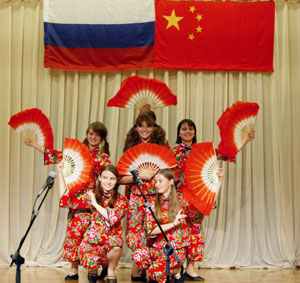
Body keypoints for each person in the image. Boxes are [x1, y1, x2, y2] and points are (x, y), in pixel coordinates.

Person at [25, 121, 111, 281]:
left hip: (93, 201)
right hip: (76, 199)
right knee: (73, 235)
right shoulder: (77, 152)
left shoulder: (103, 157)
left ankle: (103, 267)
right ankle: (74, 270)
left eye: (97, 135)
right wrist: (34, 144)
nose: (93, 137)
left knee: (94, 237)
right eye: (91, 133)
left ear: (102, 138)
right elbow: (53, 155)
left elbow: (110, 178)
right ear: (87, 134)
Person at [172, 119, 254, 281]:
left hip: (199, 197)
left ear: (195, 132)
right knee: (178, 233)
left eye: (190, 129)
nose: (187, 132)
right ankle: (176, 269)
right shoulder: (173, 152)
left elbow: (226, 153)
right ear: (179, 133)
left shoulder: (203, 150)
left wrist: (245, 140)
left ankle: (190, 269)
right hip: (179, 197)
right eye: (184, 129)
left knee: (195, 232)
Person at [120, 113, 170, 281]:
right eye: (141, 126)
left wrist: (154, 175)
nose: (144, 129)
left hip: (157, 195)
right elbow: (121, 177)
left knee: (153, 230)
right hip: (136, 195)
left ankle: (151, 268)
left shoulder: (163, 145)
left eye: (148, 126)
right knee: (135, 231)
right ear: (136, 128)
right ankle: (138, 267)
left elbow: (170, 171)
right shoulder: (131, 146)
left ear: (154, 128)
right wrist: (140, 176)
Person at [57, 164, 128, 283]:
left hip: (110, 243)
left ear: (117, 181)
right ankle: (93, 268)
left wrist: (94, 204)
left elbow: (112, 218)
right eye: (105, 178)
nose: (108, 182)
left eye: (112, 179)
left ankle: (110, 270)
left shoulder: (121, 200)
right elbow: (65, 199)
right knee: (91, 268)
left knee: (116, 244)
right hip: (92, 243)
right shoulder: (91, 195)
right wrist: (60, 173)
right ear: (99, 178)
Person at [132, 168, 192, 283]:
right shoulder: (152, 203)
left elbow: (204, 204)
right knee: (138, 256)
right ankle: (171, 271)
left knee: (155, 273)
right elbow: (151, 230)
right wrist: (173, 224)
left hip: (175, 250)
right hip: (157, 248)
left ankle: (176, 270)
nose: (157, 184)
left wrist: (218, 182)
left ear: (171, 181)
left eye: (160, 181)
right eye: (156, 181)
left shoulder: (182, 200)